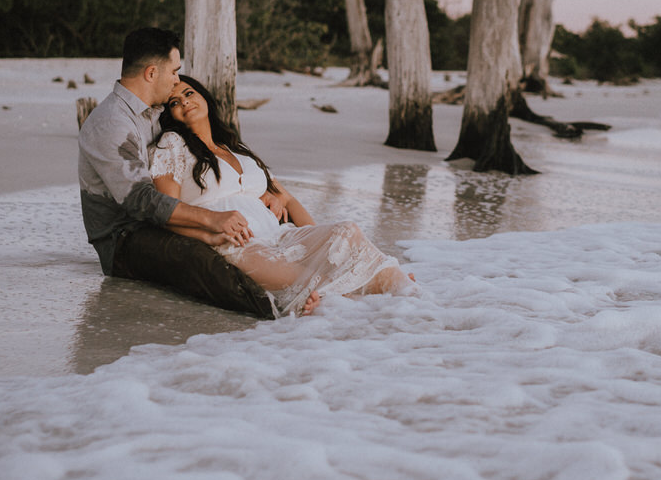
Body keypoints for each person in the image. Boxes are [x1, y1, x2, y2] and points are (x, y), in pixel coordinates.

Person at [150, 74, 415, 316]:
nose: (184, 102)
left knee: (347, 232)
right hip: (239, 244)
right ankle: (375, 300)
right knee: (310, 284)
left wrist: (322, 245)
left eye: (189, 93)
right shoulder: (173, 144)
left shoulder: (235, 148)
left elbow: (285, 199)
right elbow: (167, 211)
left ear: (203, 97)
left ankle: (412, 302)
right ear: (170, 114)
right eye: (174, 102)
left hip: (280, 236)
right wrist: (208, 229)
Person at [77, 27, 274, 317]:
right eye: (174, 71)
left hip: (159, 217)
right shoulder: (111, 123)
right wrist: (210, 220)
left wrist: (268, 191)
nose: (177, 80)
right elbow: (140, 201)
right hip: (125, 237)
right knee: (197, 257)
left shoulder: (155, 112)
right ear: (152, 73)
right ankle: (277, 313)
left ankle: (298, 287)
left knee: (229, 240)